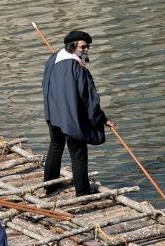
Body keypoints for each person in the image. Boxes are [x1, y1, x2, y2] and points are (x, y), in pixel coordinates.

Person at [42, 30, 115, 197]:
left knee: (56, 146)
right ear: (73, 46)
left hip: (53, 114)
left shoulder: (53, 58)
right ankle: (83, 193)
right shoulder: (77, 67)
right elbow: (88, 98)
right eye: (83, 47)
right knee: (78, 153)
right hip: (70, 118)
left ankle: (50, 187)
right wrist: (102, 119)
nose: (86, 50)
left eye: (88, 47)